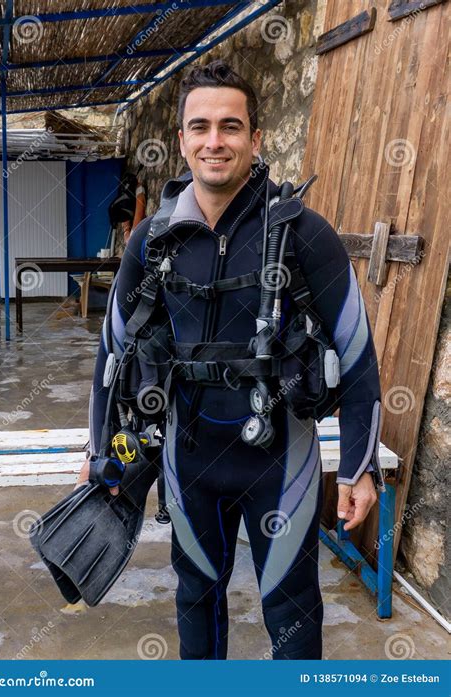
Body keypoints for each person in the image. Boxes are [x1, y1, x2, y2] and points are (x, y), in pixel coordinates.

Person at [80, 60, 381, 660]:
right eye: (200, 127)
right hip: (187, 457)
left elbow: (357, 357)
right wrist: (99, 452)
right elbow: (113, 352)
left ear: (255, 139)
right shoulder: (152, 237)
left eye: (230, 126)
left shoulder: (304, 234)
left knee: (292, 607)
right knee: (195, 598)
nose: (214, 141)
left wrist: (358, 468)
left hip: (281, 458)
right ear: (183, 140)